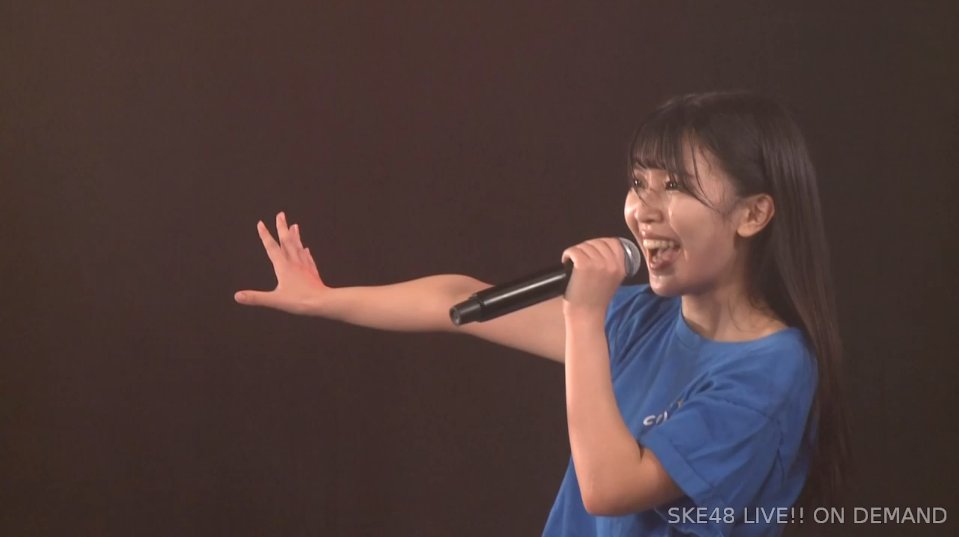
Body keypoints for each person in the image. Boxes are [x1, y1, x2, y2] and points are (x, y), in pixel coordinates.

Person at [234, 91, 849, 536]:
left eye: (676, 186)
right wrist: (323, 298)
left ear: (753, 214)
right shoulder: (643, 318)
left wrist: (584, 319)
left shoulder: (772, 372)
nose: (643, 210)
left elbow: (609, 488)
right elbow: (457, 298)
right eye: (640, 183)